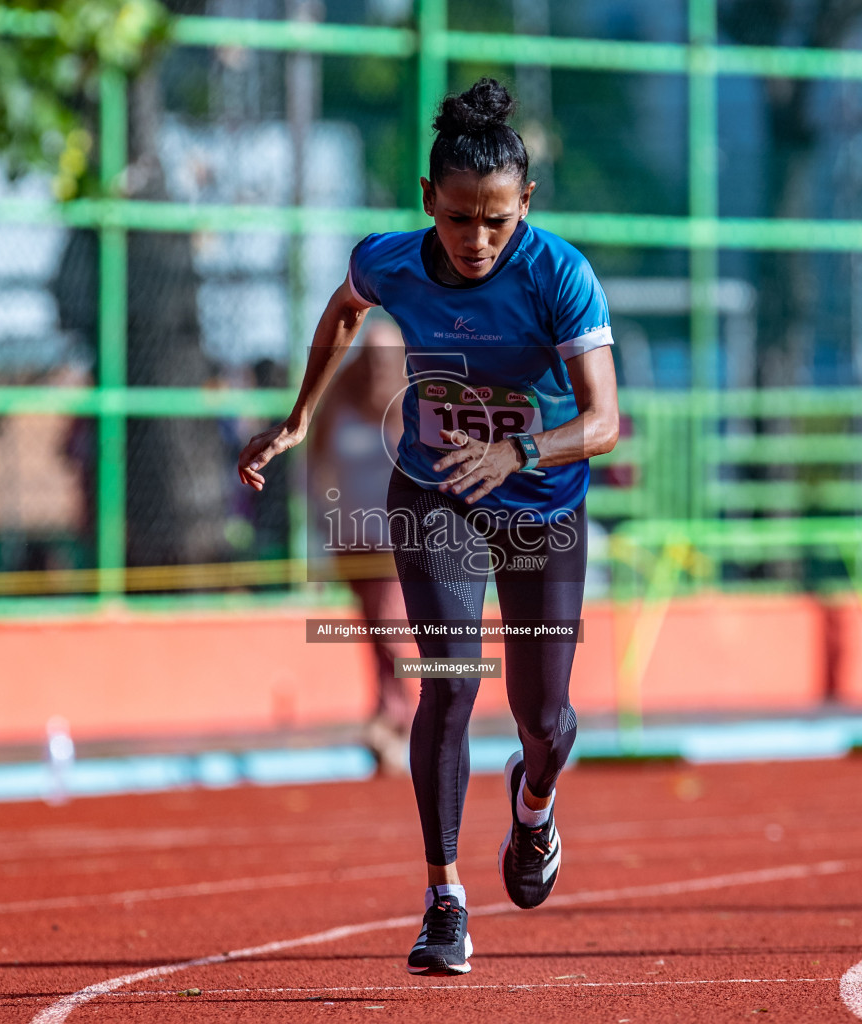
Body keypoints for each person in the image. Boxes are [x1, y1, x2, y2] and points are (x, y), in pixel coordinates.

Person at [238, 79, 619, 975]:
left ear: (525, 204)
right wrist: (298, 417)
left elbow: (603, 422)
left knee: (546, 720)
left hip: (541, 507)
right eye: (457, 219)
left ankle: (533, 807)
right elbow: (343, 308)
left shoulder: (558, 274)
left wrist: (521, 453)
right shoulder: (392, 261)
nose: (477, 240)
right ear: (427, 202)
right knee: (448, 683)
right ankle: (444, 900)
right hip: (433, 493)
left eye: (496, 221)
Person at [307, 318, 415, 776]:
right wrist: (322, 529)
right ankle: (387, 713)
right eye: (371, 356)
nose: (379, 367)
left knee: (391, 627)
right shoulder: (338, 403)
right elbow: (316, 470)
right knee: (372, 630)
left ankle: (399, 716)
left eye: (387, 357)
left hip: (399, 540)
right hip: (351, 540)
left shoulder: (411, 403)